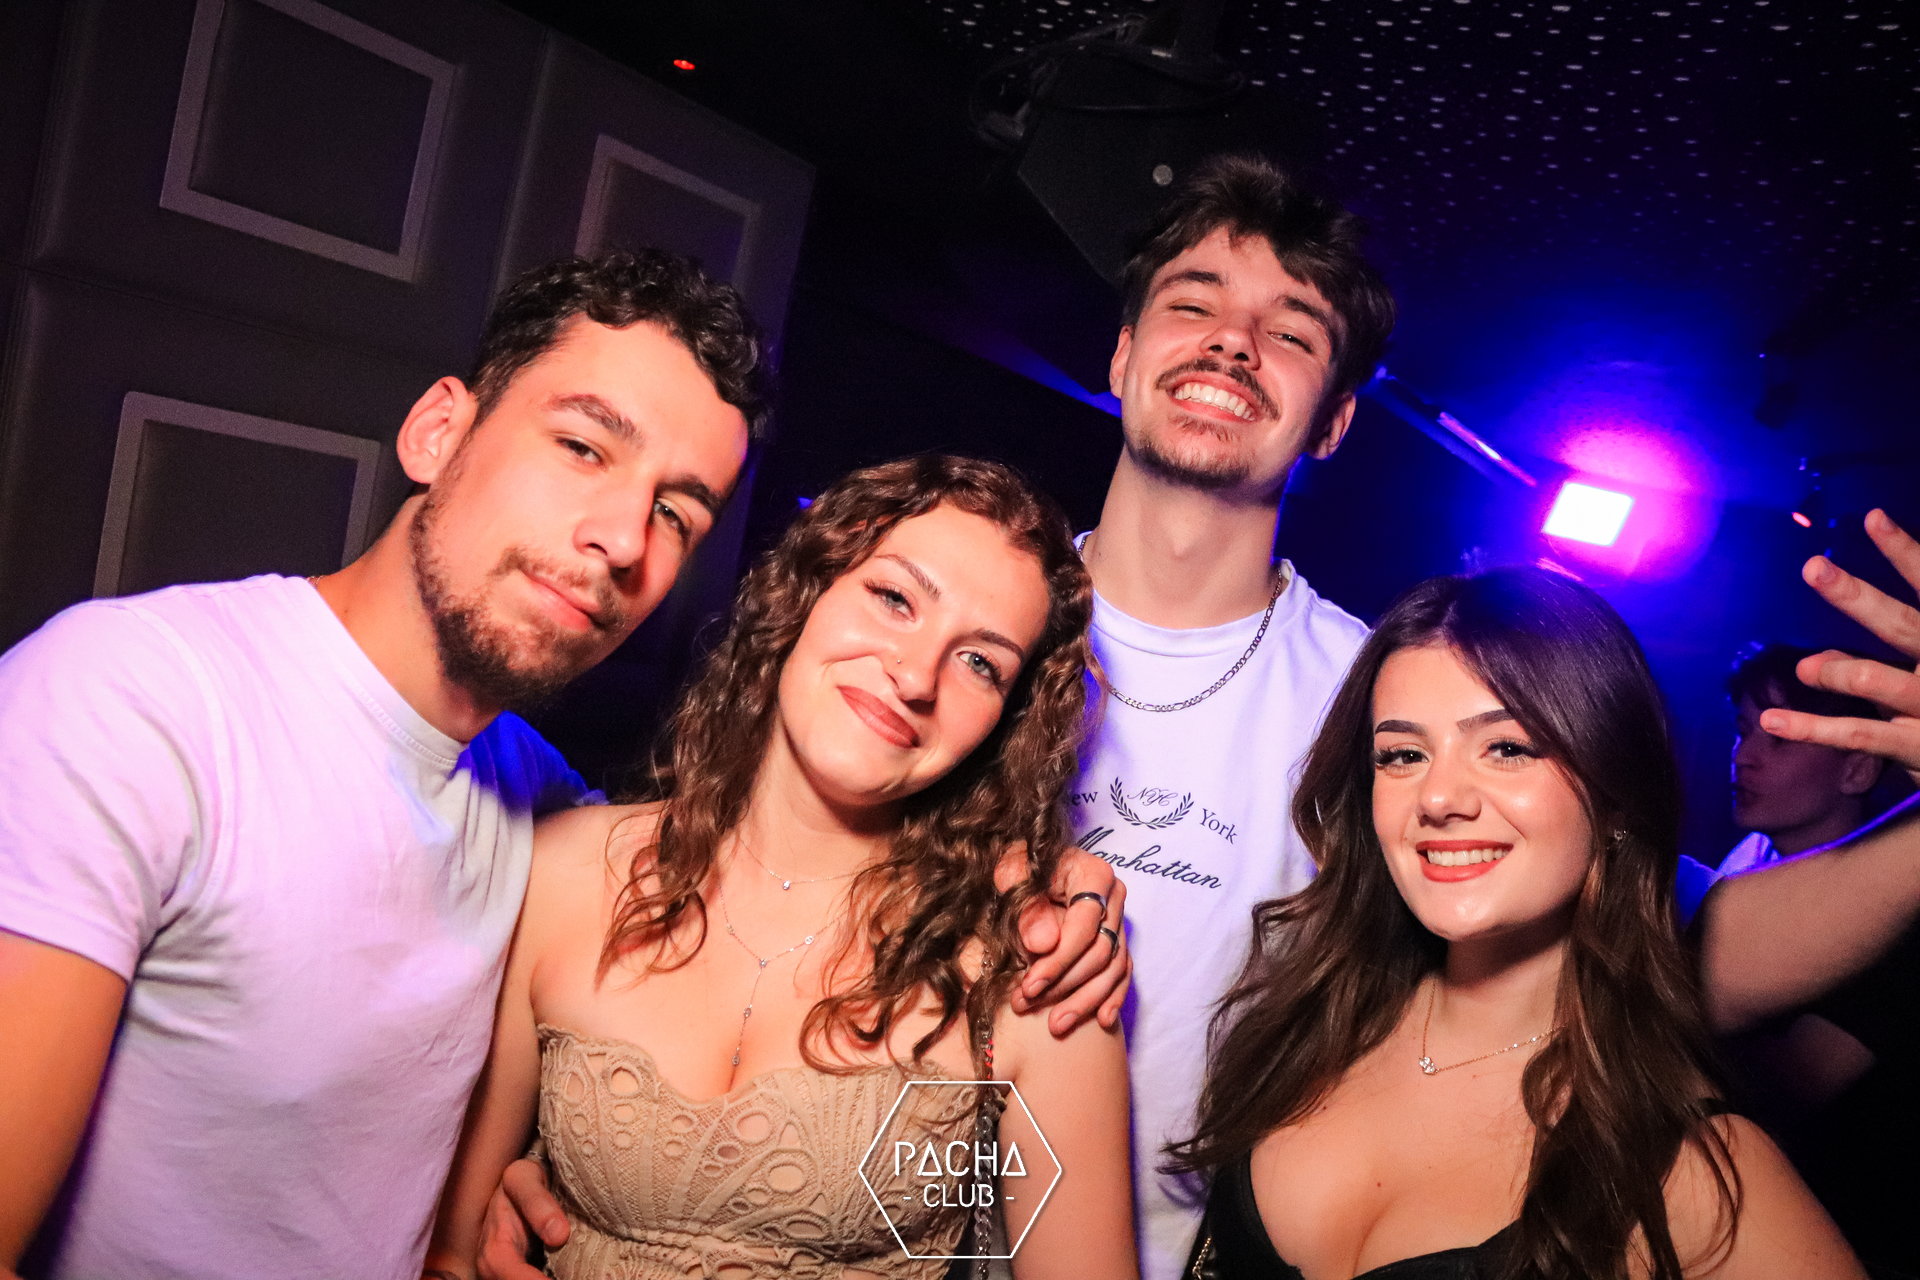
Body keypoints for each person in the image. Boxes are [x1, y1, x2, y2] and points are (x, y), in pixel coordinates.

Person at [0, 250, 1126, 1280]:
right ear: (438, 431)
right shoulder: (135, 701)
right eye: (583, 446)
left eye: (676, 512)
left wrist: (1062, 879)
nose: (621, 538)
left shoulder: (527, 795)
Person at [425, 456, 1137, 1279]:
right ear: (808, 590)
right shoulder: (560, 874)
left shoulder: (1036, 977)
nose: (915, 677)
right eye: (894, 598)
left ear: (1005, 725)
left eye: (981, 663)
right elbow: (450, 1255)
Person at [1172, 566, 1864, 1279]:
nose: (1438, 797)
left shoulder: (1689, 1170)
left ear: (1616, 798)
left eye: (1507, 748)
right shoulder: (1297, 1029)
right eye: (1403, 755)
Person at [1720, 643, 1889, 876]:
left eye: (1780, 739)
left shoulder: (1895, 885)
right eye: (1743, 732)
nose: (1741, 757)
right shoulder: (1742, 863)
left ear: (1858, 772)